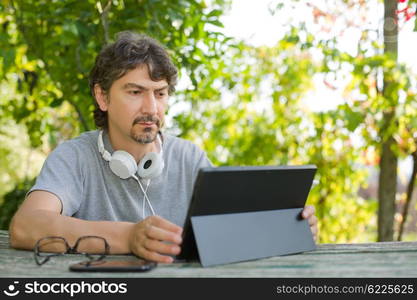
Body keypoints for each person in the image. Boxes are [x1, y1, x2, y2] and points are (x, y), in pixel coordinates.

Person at [9, 31, 318, 264]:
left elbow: (227, 232)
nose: (151, 108)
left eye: (160, 93)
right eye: (135, 91)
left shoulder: (189, 157)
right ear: (102, 97)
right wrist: (129, 237)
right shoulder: (74, 157)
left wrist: (287, 229)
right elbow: (25, 227)